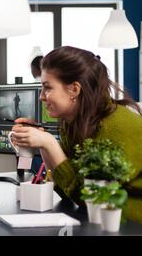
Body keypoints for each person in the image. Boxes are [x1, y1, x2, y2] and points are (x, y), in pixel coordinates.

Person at [10, 46, 142, 223]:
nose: (41, 96)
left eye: (47, 88)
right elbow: (67, 188)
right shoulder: (72, 122)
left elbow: (89, 199)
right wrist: (41, 143)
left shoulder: (117, 126)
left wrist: (49, 143)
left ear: (74, 89)